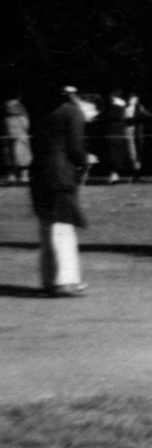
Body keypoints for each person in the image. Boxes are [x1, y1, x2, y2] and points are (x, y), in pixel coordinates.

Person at [30, 86, 94, 297]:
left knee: (47, 230)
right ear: (80, 99)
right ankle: (65, 282)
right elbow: (75, 148)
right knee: (63, 230)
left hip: (41, 176)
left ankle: (50, 281)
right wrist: (86, 159)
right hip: (60, 177)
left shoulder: (47, 113)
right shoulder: (73, 113)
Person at [101, 89, 139, 184]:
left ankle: (115, 175)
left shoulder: (115, 106)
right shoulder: (119, 106)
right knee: (117, 155)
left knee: (115, 155)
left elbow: (110, 117)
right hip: (117, 132)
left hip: (114, 133)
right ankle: (115, 175)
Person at [2, 97, 30, 185]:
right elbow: (26, 126)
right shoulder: (17, 117)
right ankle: (16, 177)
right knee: (13, 157)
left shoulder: (10, 117)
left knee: (18, 157)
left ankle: (19, 177)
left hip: (18, 138)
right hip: (15, 138)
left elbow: (26, 126)